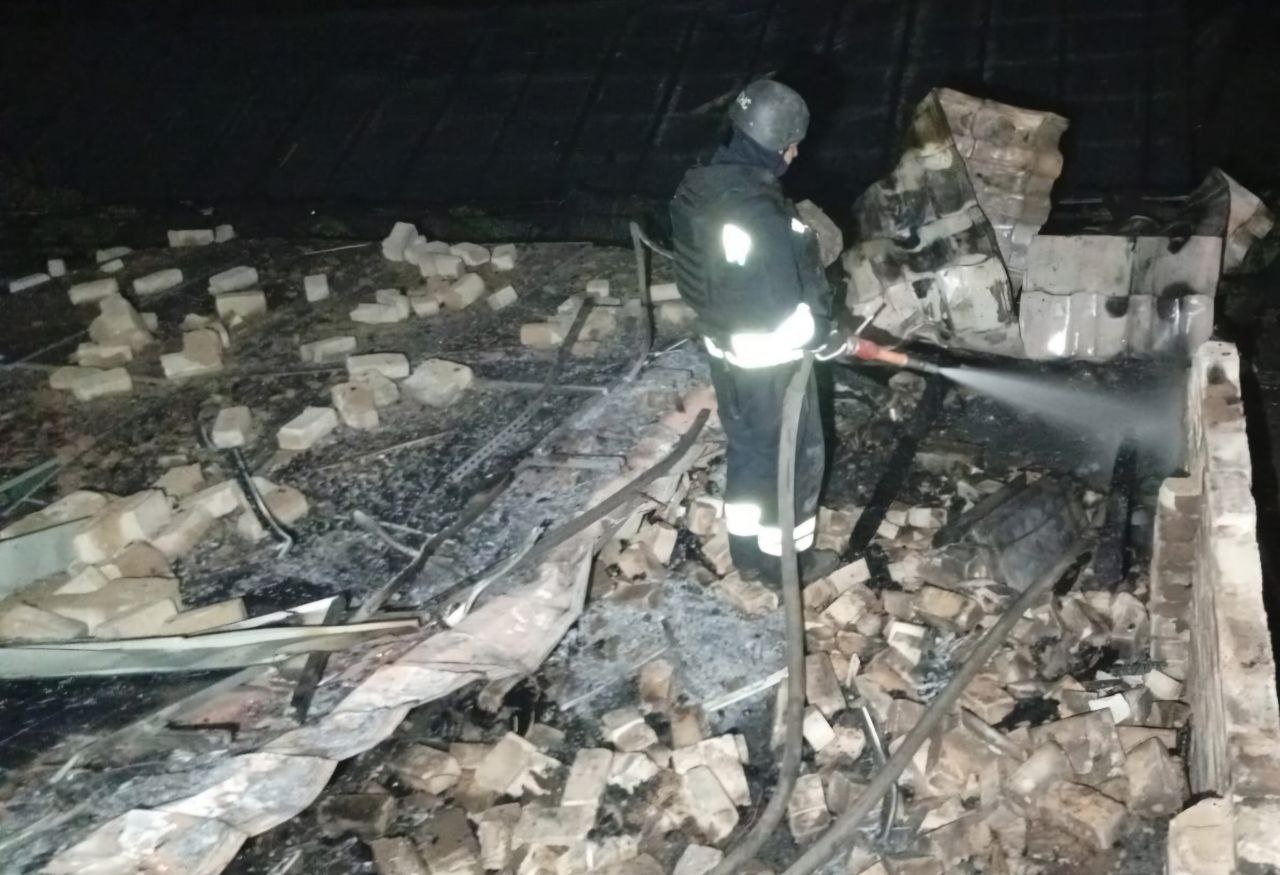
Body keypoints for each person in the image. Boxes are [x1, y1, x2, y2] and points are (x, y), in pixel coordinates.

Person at [669, 79, 846, 587]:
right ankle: (786, 566)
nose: (795, 155)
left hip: (727, 350)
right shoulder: (755, 212)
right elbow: (777, 305)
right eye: (792, 146)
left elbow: (728, 279)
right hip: (771, 360)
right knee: (794, 459)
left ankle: (746, 552)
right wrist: (821, 336)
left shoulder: (702, 187)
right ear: (776, 144)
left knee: (750, 450)